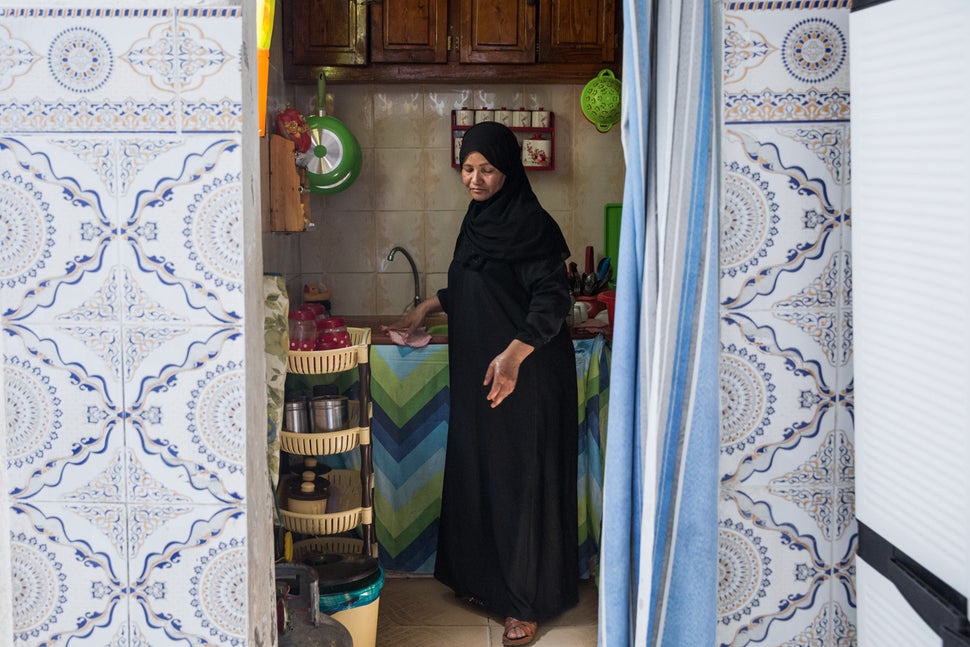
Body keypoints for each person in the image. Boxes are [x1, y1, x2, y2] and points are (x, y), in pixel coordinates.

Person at [391, 121, 579, 646]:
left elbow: (551, 301)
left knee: (519, 482)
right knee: (483, 474)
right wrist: (426, 308)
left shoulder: (532, 225)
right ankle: (485, 582)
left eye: (487, 169)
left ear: (509, 170)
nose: (475, 179)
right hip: (484, 371)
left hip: (525, 376)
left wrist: (515, 356)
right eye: (468, 169)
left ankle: (526, 603)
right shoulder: (479, 221)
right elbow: (476, 284)